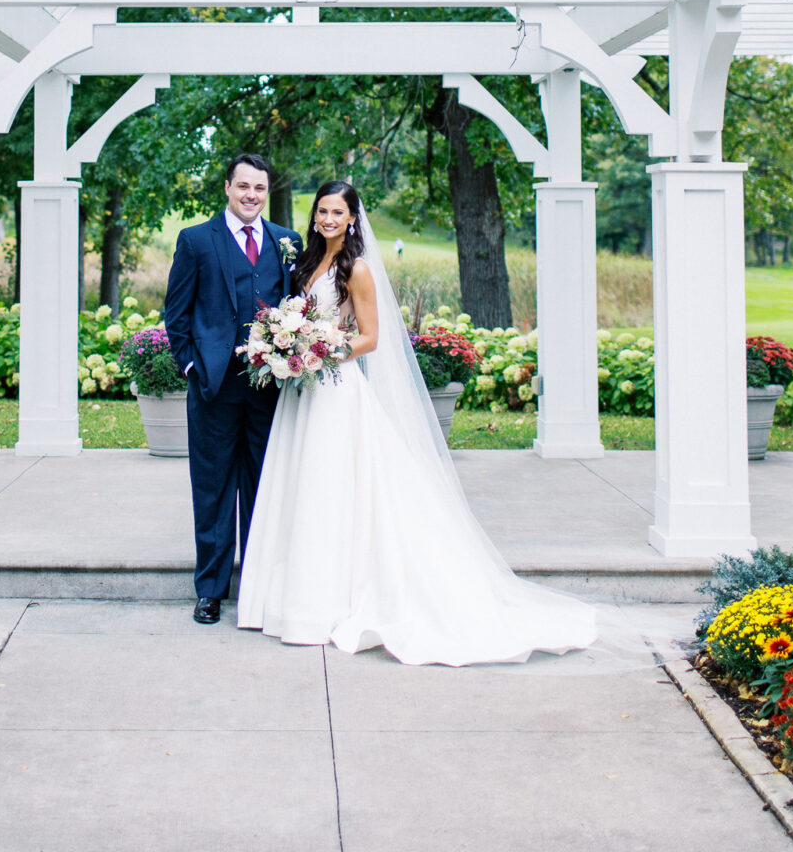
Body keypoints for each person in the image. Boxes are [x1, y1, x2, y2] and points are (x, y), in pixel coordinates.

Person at [237, 181, 597, 665]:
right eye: (322, 210)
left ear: (352, 218)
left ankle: (326, 605)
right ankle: (293, 601)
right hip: (302, 395)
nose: (327, 219)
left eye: (337, 212)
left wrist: (317, 352)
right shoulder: (307, 261)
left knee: (331, 489)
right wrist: (288, 346)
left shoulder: (357, 269)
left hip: (335, 391)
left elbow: (370, 338)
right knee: (303, 487)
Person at [163, 154, 303, 626]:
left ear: (267, 192)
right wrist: (190, 366)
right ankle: (210, 590)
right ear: (227, 187)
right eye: (243, 186)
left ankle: (261, 586)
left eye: (259, 188)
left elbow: (299, 307)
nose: (251, 195)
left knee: (266, 487)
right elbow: (176, 314)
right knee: (214, 488)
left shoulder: (287, 241)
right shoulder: (196, 240)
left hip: (270, 389)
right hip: (213, 387)